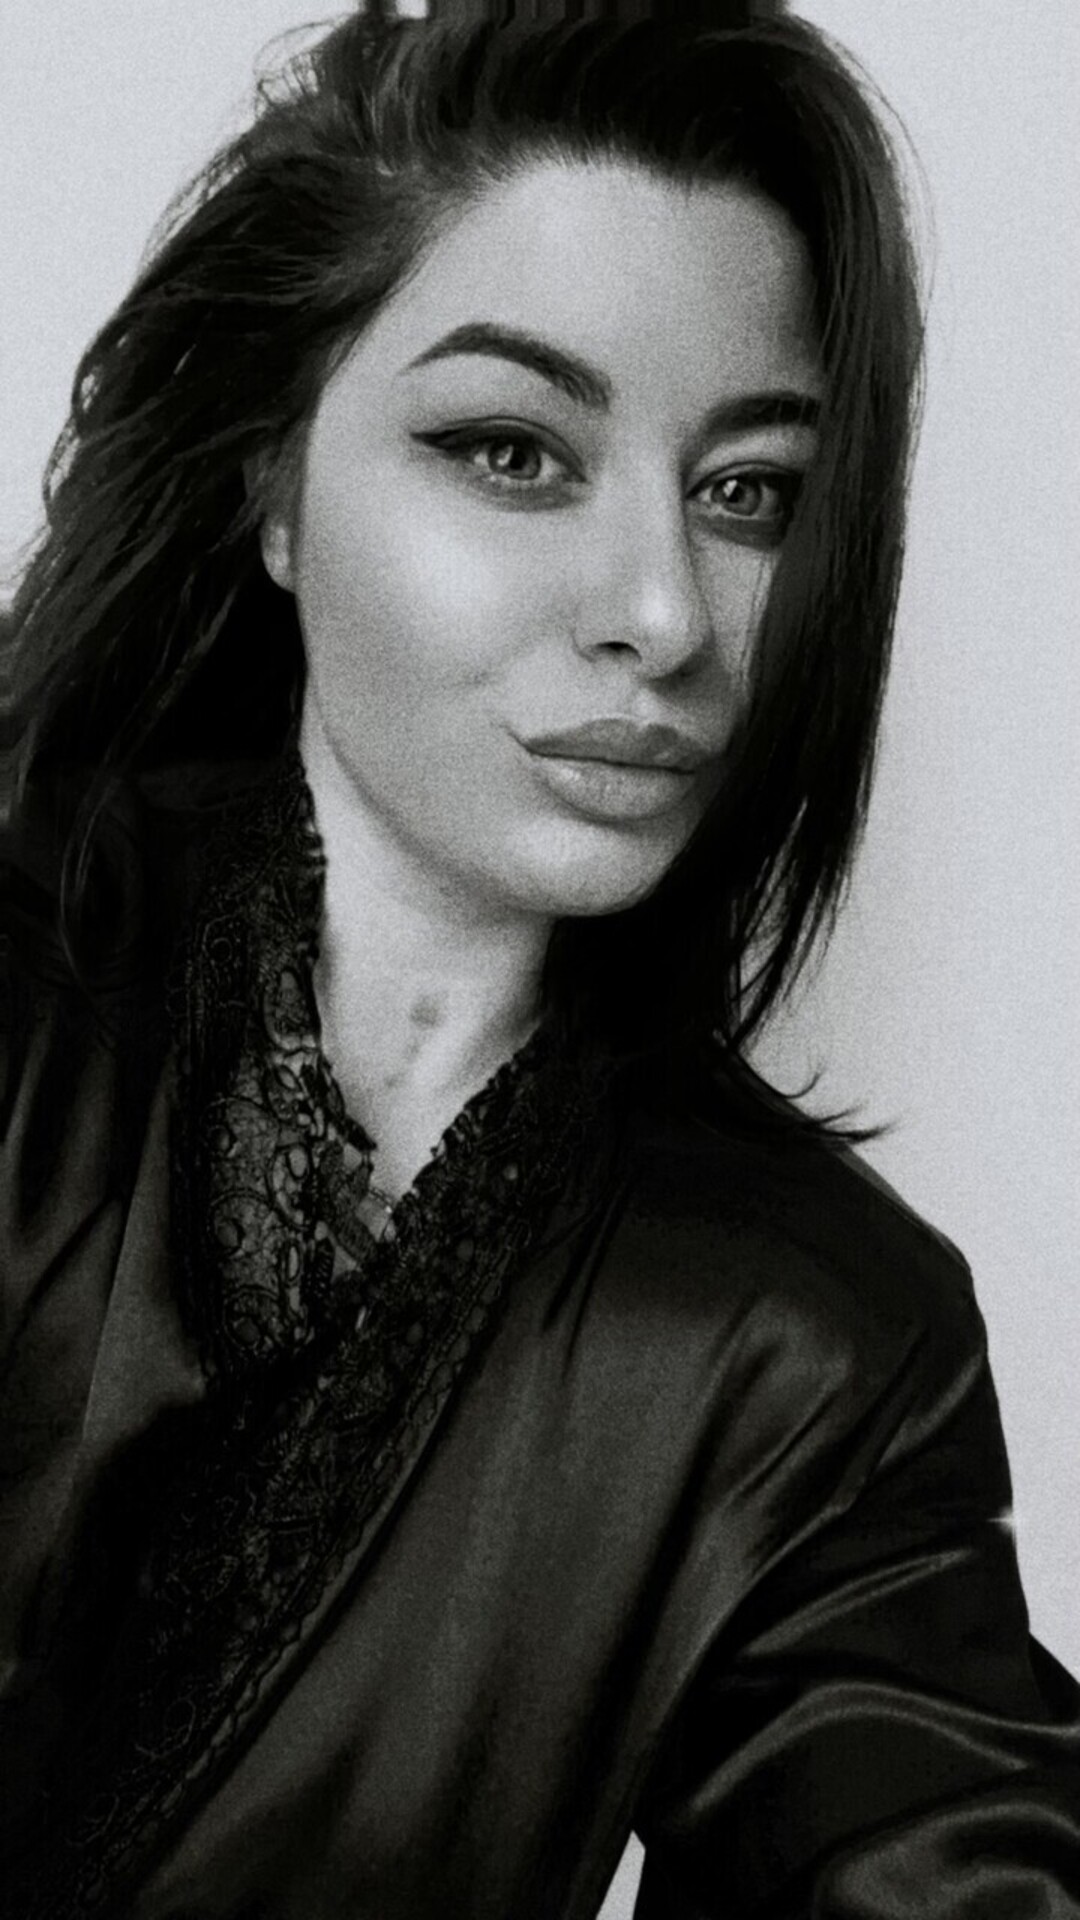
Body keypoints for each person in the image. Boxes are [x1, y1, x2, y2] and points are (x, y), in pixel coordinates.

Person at [1, 1, 1078, 1914]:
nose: (666, 613)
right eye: (513, 451)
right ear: (272, 483)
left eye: (749, 491)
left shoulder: (813, 1340)